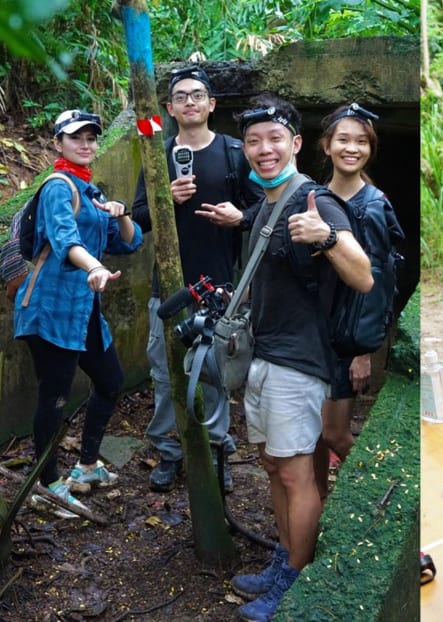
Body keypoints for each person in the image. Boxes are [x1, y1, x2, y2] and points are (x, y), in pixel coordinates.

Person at [228, 95, 372, 622]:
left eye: (274, 139)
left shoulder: (315, 200)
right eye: (253, 141)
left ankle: (295, 578)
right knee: (272, 466)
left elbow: (363, 275)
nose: (263, 149)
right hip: (265, 356)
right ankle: (282, 557)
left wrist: (329, 236)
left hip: (299, 363)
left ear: (295, 144)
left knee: (296, 475)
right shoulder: (268, 200)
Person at [131, 65, 263, 493]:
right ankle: (170, 451)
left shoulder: (232, 152)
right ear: (169, 108)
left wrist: (239, 217)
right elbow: (139, 220)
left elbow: (263, 210)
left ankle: (217, 450)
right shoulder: (158, 156)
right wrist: (164, 198)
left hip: (218, 288)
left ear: (212, 104)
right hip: (168, 288)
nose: (190, 102)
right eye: (181, 96)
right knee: (166, 371)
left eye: (198, 95)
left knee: (215, 371)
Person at [15, 109, 143, 514]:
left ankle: (87, 465)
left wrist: (121, 216)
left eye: (91, 137)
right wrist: (95, 267)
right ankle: (48, 481)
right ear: (58, 143)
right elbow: (63, 238)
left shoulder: (92, 192)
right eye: (76, 138)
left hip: (84, 308)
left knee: (110, 380)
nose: (85, 144)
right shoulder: (57, 187)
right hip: (50, 307)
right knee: (54, 396)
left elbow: (129, 242)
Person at [311, 103, 405, 500]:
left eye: (362, 141)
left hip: (347, 339)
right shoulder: (315, 198)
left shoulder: (373, 206)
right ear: (327, 145)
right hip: (314, 333)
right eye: (344, 140)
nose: (352, 148)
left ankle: (380, 494)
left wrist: (365, 351)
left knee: (334, 433)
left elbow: (379, 283)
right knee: (310, 438)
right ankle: (316, 508)